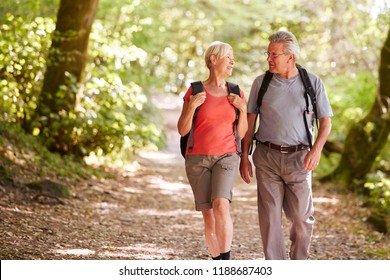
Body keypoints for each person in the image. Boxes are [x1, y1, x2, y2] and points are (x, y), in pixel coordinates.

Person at [239, 31, 333, 260]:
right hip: (266, 157)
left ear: (290, 57)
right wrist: (244, 156)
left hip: (299, 159)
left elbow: (326, 122)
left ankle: (298, 264)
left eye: (274, 54)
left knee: (301, 218)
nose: (268, 59)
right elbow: (250, 122)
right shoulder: (261, 83)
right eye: (268, 53)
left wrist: (316, 149)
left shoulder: (312, 82)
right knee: (270, 218)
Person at [177, 41, 248, 260]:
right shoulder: (195, 90)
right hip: (197, 158)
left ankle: (225, 262)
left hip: (227, 156)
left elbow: (243, 133)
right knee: (208, 215)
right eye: (229, 57)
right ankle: (217, 261)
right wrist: (192, 107)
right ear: (213, 59)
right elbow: (182, 130)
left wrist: (243, 110)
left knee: (221, 205)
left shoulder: (236, 92)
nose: (232, 61)